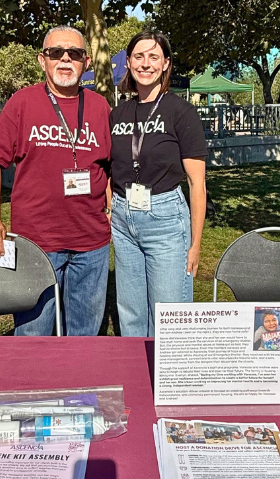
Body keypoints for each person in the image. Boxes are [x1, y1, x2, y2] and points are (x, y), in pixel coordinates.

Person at [0, 25, 112, 336]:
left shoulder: (100, 107)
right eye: (56, 52)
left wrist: (110, 207)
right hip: (37, 243)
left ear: (86, 63)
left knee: (85, 337)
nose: (65, 59)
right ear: (43, 60)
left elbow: (108, 165)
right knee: (32, 336)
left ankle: (79, 371)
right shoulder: (22, 102)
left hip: (91, 245)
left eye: (74, 53)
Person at [109, 31, 207, 337]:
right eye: (139, 57)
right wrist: (111, 206)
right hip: (123, 221)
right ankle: (136, 365)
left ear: (165, 64)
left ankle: (168, 369)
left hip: (165, 220)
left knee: (169, 315)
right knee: (131, 314)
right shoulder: (118, 114)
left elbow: (197, 183)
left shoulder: (181, 112)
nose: (146, 64)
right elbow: (112, 166)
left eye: (154, 57)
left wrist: (195, 244)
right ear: (128, 62)